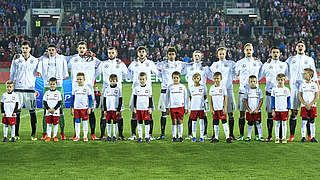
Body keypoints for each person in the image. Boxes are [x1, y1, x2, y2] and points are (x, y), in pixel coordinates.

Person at [68, 41, 101, 140]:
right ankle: (76, 134)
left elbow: (102, 65)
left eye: (83, 48)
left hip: (88, 88)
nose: (81, 49)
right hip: (76, 88)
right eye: (80, 47)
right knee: (76, 111)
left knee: (91, 111)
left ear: (86, 49)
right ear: (77, 49)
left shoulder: (92, 59)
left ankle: (92, 133)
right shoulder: (73, 59)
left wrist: (93, 77)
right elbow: (66, 67)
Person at [285, 40, 318, 142]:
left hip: (307, 89)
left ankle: (309, 136)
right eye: (298, 45)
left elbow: (315, 75)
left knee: (309, 112)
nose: (300, 47)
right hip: (295, 88)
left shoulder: (309, 59)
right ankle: (292, 135)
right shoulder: (291, 59)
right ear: (295, 48)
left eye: (302, 46)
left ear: (304, 48)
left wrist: (317, 87)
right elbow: (283, 69)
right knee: (294, 112)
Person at [37, 43, 69, 140]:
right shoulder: (43, 59)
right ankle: (45, 133)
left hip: (58, 86)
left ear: (56, 50)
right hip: (47, 86)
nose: (51, 52)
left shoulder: (61, 58)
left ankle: (62, 132)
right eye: (49, 50)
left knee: (61, 110)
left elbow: (65, 70)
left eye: (52, 50)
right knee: (45, 110)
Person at [96, 47, 128, 140]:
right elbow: (95, 74)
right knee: (104, 112)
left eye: (112, 52)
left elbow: (127, 74)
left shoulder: (120, 64)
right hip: (106, 92)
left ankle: (120, 135)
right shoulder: (103, 64)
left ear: (116, 53)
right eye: (109, 52)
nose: (111, 54)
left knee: (119, 113)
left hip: (118, 93)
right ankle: (103, 135)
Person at [128, 46, 159, 141]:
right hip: (136, 91)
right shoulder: (134, 63)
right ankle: (133, 134)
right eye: (140, 52)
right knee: (134, 112)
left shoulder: (150, 63)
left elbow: (157, 72)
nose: (141, 53)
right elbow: (127, 72)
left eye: (143, 52)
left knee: (149, 112)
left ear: (146, 53)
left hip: (147, 91)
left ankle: (149, 134)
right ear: (137, 53)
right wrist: (132, 80)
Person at [9, 41, 39, 140]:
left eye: (26, 48)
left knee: (32, 112)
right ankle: (16, 134)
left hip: (30, 89)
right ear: (21, 49)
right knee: (17, 112)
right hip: (18, 89)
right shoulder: (17, 60)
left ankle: (33, 134)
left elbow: (37, 73)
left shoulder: (35, 60)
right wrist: (11, 83)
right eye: (23, 48)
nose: (25, 50)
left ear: (30, 49)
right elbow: (12, 72)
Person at [259, 46, 288, 142]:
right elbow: (259, 76)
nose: (275, 54)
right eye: (273, 52)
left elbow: (288, 76)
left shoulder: (284, 65)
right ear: (270, 54)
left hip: (281, 95)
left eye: (277, 52)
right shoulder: (266, 65)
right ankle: (270, 135)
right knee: (270, 114)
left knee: (280, 114)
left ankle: (280, 136)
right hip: (269, 93)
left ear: (280, 54)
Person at [156, 47, 185, 140]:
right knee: (164, 112)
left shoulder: (179, 64)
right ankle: (163, 133)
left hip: (176, 92)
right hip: (165, 90)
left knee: (177, 114)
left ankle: (179, 134)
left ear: (175, 55)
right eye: (169, 54)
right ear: (167, 55)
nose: (171, 56)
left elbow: (191, 65)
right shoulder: (162, 64)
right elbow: (153, 67)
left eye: (173, 54)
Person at [235, 43, 262, 141]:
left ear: (253, 51)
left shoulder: (258, 62)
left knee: (255, 113)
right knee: (242, 113)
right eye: (247, 49)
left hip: (255, 92)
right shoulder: (239, 62)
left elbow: (261, 74)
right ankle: (242, 135)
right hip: (243, 91)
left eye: (250, 49)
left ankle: (256, 135)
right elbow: (235, 73)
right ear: (244, 51)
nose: (249, 51)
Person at [210, 47, 236, 140]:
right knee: (216, 113)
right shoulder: (214, 65)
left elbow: (236, 72)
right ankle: (214, 135)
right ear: (217, 54)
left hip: (228, 90)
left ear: (226, 54)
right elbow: (211, 75)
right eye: (220, 54)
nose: (221, 55)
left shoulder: (231, 64)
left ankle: (231, 134)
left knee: (230, 112)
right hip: (217, 91)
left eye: (223, 54)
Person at [184, 50, 211, 140]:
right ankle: (189, 134)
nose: (196, 57)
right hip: (192, 93)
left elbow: (211, 75)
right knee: (192, 113)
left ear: (201, 57)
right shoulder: (188, 67)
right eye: (195, 55)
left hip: (202, 93)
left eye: (198, 56)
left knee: (204, 113)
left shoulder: (205, 68)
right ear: (192, 56)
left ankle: (204, 134)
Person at [165, 71, 188, 142]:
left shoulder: (183, 87)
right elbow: (167, 98)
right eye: (174, 78)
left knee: (180, 121)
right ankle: (174, 136)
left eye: (177, 78)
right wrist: (167, 107)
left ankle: (180, 136)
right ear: (172, 78)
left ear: (179, 78)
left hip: (181, 106)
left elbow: (186, 98)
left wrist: (186, 107)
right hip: (172, 107)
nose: (175, 79)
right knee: (174, 121)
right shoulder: (170, 87)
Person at [209, 72, 231, 143]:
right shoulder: (211, 88)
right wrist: (211, 109)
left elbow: (225, 98)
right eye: (215, 78)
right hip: (215, 109)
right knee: (215, 123)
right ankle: (216, 137)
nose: (216, 80)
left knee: (224, 122)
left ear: (221, 79)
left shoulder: (223, 87)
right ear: (213, 79)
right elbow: (211, 99)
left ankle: (227, 137)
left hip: (221, 109)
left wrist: (225, 108)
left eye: (218, 78)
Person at [70, 72, 93, 142]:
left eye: (80, 79)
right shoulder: (75, 88)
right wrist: (72, 108)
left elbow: (90, 99)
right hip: (76, 108)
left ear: (84, 79)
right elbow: (72, 99)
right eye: (78, 79)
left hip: (84, 108)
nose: (79, 81)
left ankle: (85, 136)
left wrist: (89, 107)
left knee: (85, 122)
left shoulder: (87, 88)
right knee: (77, 122)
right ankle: (77, 136)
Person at [298, 68, 319, 143]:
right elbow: (300, 96)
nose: (304, 75)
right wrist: (305, 104)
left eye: (305, 73)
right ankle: (303, 137)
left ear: (310, 75)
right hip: (304, 106)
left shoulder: (314, 85)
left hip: (312, 106)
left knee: (312, 121)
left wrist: (310, 104)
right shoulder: (302, 84)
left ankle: (312, 137)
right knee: (304, 121)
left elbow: (317, 96)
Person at [133, 72, 153, 143]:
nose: (142, 80)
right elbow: (134, 98)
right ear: (139, 79)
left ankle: (147, 136)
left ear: (146, 79)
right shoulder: (136, 88)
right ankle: (140, 137)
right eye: (140, 79)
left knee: (147, 122)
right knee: (140, 122)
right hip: (139, 108)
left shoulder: (149, 88)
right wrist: (134, 107)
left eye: (143, 79)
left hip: (146, 108)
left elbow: (150, 98)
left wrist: (150, 107)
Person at [271, 73, 291, 144]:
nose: (280, 81)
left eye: (282, 80)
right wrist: (273, 110)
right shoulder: (274, 89)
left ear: (285, 80)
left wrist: (289, 110)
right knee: (277, 124)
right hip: (277, 110)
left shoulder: (287, 90)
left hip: (284, 110)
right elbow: (272, 100)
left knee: (284, 124)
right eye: (279, 80)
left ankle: (284, 138)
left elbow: (289, 100)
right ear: (276, 80)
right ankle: (277, 138)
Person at [243, 75, 264, 142]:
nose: (252, 83)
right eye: (251, 81)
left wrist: (257, 109)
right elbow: (245, 101)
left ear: (256, 82)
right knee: (250, 123)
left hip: (257, 111)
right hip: (249, 111)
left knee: (258, 122)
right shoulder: (247, 91)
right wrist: (248, 109)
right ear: (249, 82)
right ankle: (249, 136)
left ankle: (260, 136)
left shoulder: (259, 91)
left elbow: (261, 100)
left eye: (254, 81)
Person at [103, 74, 123, 142]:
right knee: (108, 122)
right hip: (108, 109)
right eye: (111, 81)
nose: (112, 82)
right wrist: (105, 109)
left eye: (114, 81)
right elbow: (104, 100)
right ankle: (108, 136)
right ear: (109, 81)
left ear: (116, 81)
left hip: (115, 109)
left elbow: (120, 100)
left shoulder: (118, 89)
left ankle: (114, 135)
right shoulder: (107, 89)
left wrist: (118, 109)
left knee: (115, 122)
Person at [189, 73, 207, 143]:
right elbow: (190, 97)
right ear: (192, 79)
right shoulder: (190, 87)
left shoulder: (203, 87)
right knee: (194, 122)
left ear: (200, 79)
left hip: (201, 108)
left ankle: (201, 136)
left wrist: (205, 108)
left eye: (198, 78)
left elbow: (205, 97)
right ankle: (194, 136)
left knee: (201, 122)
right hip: (193, 107)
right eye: (195, 78)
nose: (196, 80)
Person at [43, 77, 62, 142]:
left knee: (55, 124)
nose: (52, 85)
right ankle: (48, 136)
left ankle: (55, 136)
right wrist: (48, 109)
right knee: (49, 124)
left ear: (56, 84)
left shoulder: (58, 93)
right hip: (48, 111)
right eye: (51, 84)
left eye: (53, 84)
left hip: (56, 111)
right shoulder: (47, 93)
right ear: (49, 84)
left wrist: (54, 109)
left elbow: (59, 102)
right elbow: (45, 102)